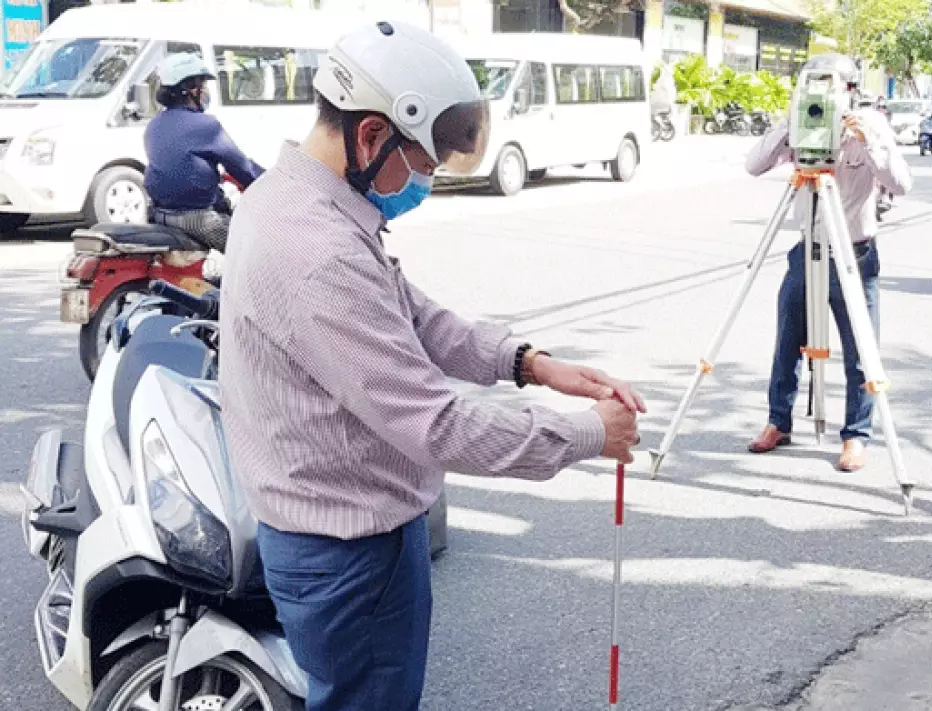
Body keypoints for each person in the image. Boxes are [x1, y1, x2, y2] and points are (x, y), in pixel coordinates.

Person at [217, 21, 644, 711]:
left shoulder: (293, 200)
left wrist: (530, 362)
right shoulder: (316, 252)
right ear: (369, 137)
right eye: (423, 161)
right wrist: (590, 434)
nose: (427, 179)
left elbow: (410, 312)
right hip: (351, 554)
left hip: (330, 532)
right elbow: (437, 425)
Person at [745, 53, 912, 472]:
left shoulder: (870, 125)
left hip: (854, 253)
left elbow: (901, 184)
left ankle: (856, 436)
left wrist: (868, 142)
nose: (819, 92)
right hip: (808, 249)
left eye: (828, 83)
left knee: (860, 352)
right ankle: (777, 422)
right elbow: (753, 165)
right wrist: (789, 124)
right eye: (811, 82)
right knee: (787, 341)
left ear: (850, 89)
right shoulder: (799, 119)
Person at [143, 52, 264, 252]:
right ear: (190, 90)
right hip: (196, 219)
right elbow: (243, 168)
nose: (207, 91)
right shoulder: (205, 126)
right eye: (204, 85)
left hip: (159, 214)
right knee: (256, 253)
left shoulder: (154, 125)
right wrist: (271, 181)